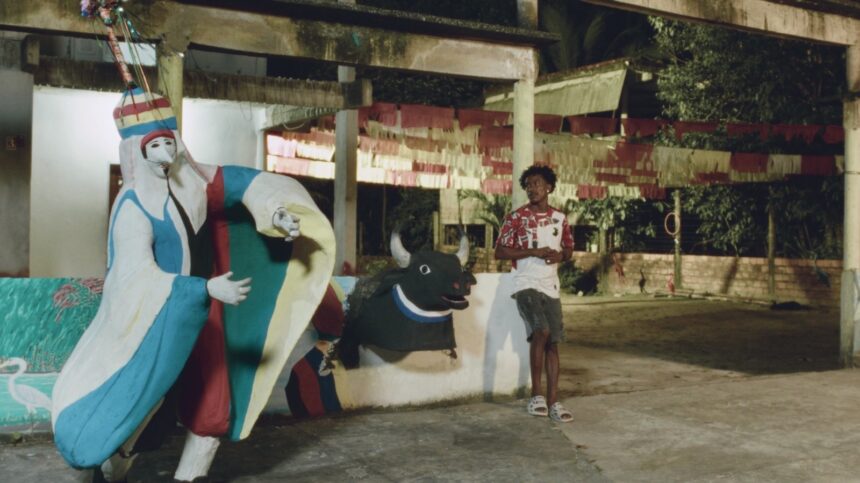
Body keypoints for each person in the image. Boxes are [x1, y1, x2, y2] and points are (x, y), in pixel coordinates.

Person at [51, 89, 336, 482]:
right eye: (154, 146)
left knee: (213, 404)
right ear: (137, 151)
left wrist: (277, 213)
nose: (165, 153)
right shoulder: (131, 206)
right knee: (142, 405)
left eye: (169, 142)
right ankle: (111, 473)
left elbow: (250, 185)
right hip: (158, 323)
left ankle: (190, 477)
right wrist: (201, 291)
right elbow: (134, 275)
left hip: (207, 319)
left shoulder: (199, 181)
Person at [494, 165, 574, 423]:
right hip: (525, 283)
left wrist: (560, 255)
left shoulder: (560, 218)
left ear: (549, 187)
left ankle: (553, 402)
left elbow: (569, 249)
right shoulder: (516, 217)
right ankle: (536, 396)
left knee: (553, 343)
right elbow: (500, 251)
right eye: (528, 185)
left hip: (550, 286)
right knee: (541, 330)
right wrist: (532, 251)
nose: (531, 188)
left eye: (536, 183)